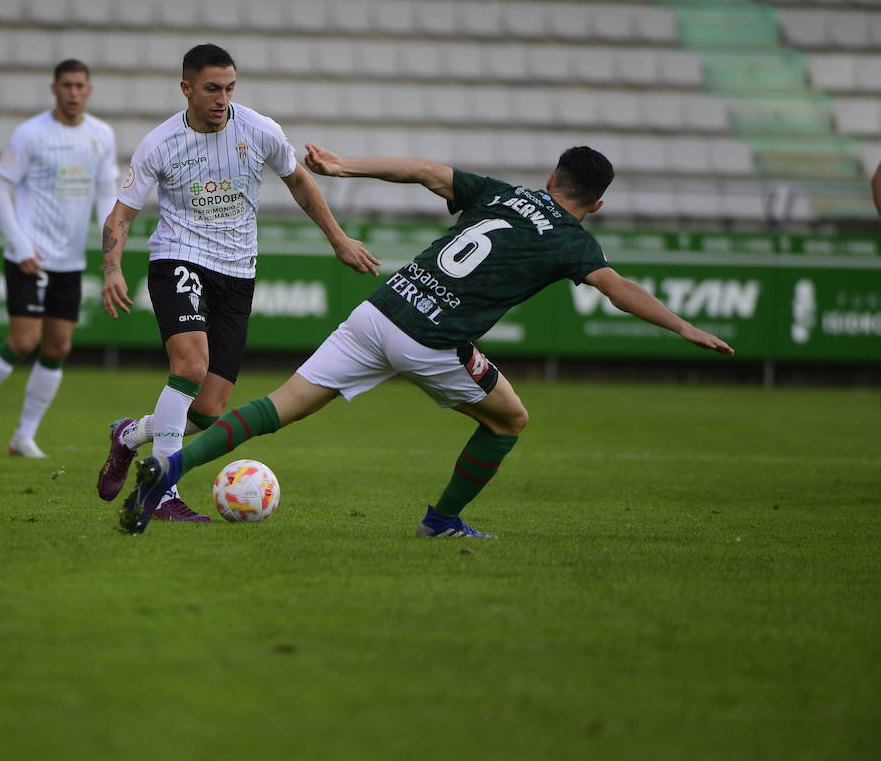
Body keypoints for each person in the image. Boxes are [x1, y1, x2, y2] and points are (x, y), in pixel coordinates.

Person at [116, 143, 736, 535]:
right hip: (430, 343)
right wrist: (683, 326)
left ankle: (167, 469)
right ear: (594, 205)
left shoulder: (502, 193)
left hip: (380, 310)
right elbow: (617, 287)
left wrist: (342, 165)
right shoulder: (575, 241)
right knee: (509, 420)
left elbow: (421, 170)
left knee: (277, 406)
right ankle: (441, 521)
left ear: (552, 176)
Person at [96, 44, 380, 521]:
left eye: (229, 88)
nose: (221, 98)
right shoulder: (159, 143)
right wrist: (111, 269)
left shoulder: (260, 130)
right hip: (179, 259)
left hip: (237, 271)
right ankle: (161, 494)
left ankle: (130, 435)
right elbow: (122, 212)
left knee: (209, 409)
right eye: (211, 88)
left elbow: (300, 183)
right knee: (190, 365)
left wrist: (339, 239)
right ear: (186, 88)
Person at [0, 59, 117, 457]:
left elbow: (106, 195)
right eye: (67, 85)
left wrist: (110, 246)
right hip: (31, 256)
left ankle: (23, 436)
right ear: (54, 88)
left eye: (80, 86)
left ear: (88, 90)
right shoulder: (30, 134)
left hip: (70, 261)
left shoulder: (101, 135)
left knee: (58, 347)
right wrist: (20, 245)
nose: (74, 92)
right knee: (24, 341)